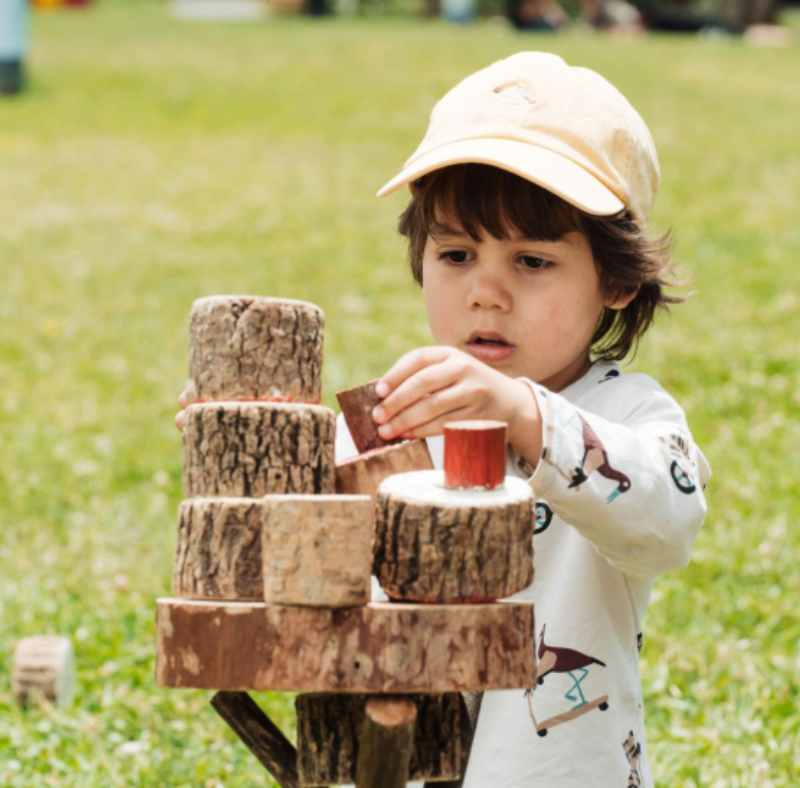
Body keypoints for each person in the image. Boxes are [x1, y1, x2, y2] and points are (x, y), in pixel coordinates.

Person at [176, 51, 710, 788]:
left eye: (532, 262)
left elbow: (668, 523)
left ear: (617, 279)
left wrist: (523, 414)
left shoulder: (624, 415)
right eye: (456, 254)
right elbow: (286, 573)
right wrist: (239, 451)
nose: (486, 292)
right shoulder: (391, 424)